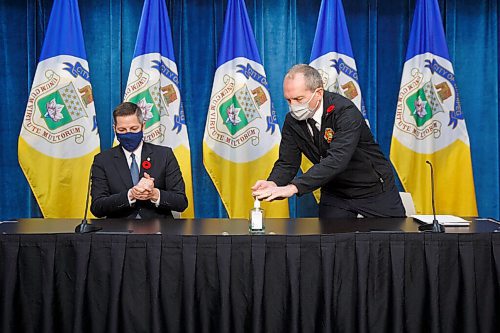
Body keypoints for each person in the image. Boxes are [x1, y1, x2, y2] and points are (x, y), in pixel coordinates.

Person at [252, 64, 405, 218]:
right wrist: (274, 183)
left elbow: (337, 159)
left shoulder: (345, 112)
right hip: (335, 193)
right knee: (329, 241)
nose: (293, 106)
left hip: (373, 189)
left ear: (318, 93)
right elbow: (287, 162)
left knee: (394, 240)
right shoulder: (292, 122)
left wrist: (294, 187)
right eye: (289, 100)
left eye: (299, 99)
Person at [90, 102, 187, 219]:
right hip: (119, 231)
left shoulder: (164, 155)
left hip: (159, 231)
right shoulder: (103, 160)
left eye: (133, 128)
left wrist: (154, 194)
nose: (128, 133)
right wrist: (130, 195)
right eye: (122, 130)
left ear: (143, 126)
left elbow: (181, 202)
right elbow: (97, 207)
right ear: (114, 128)